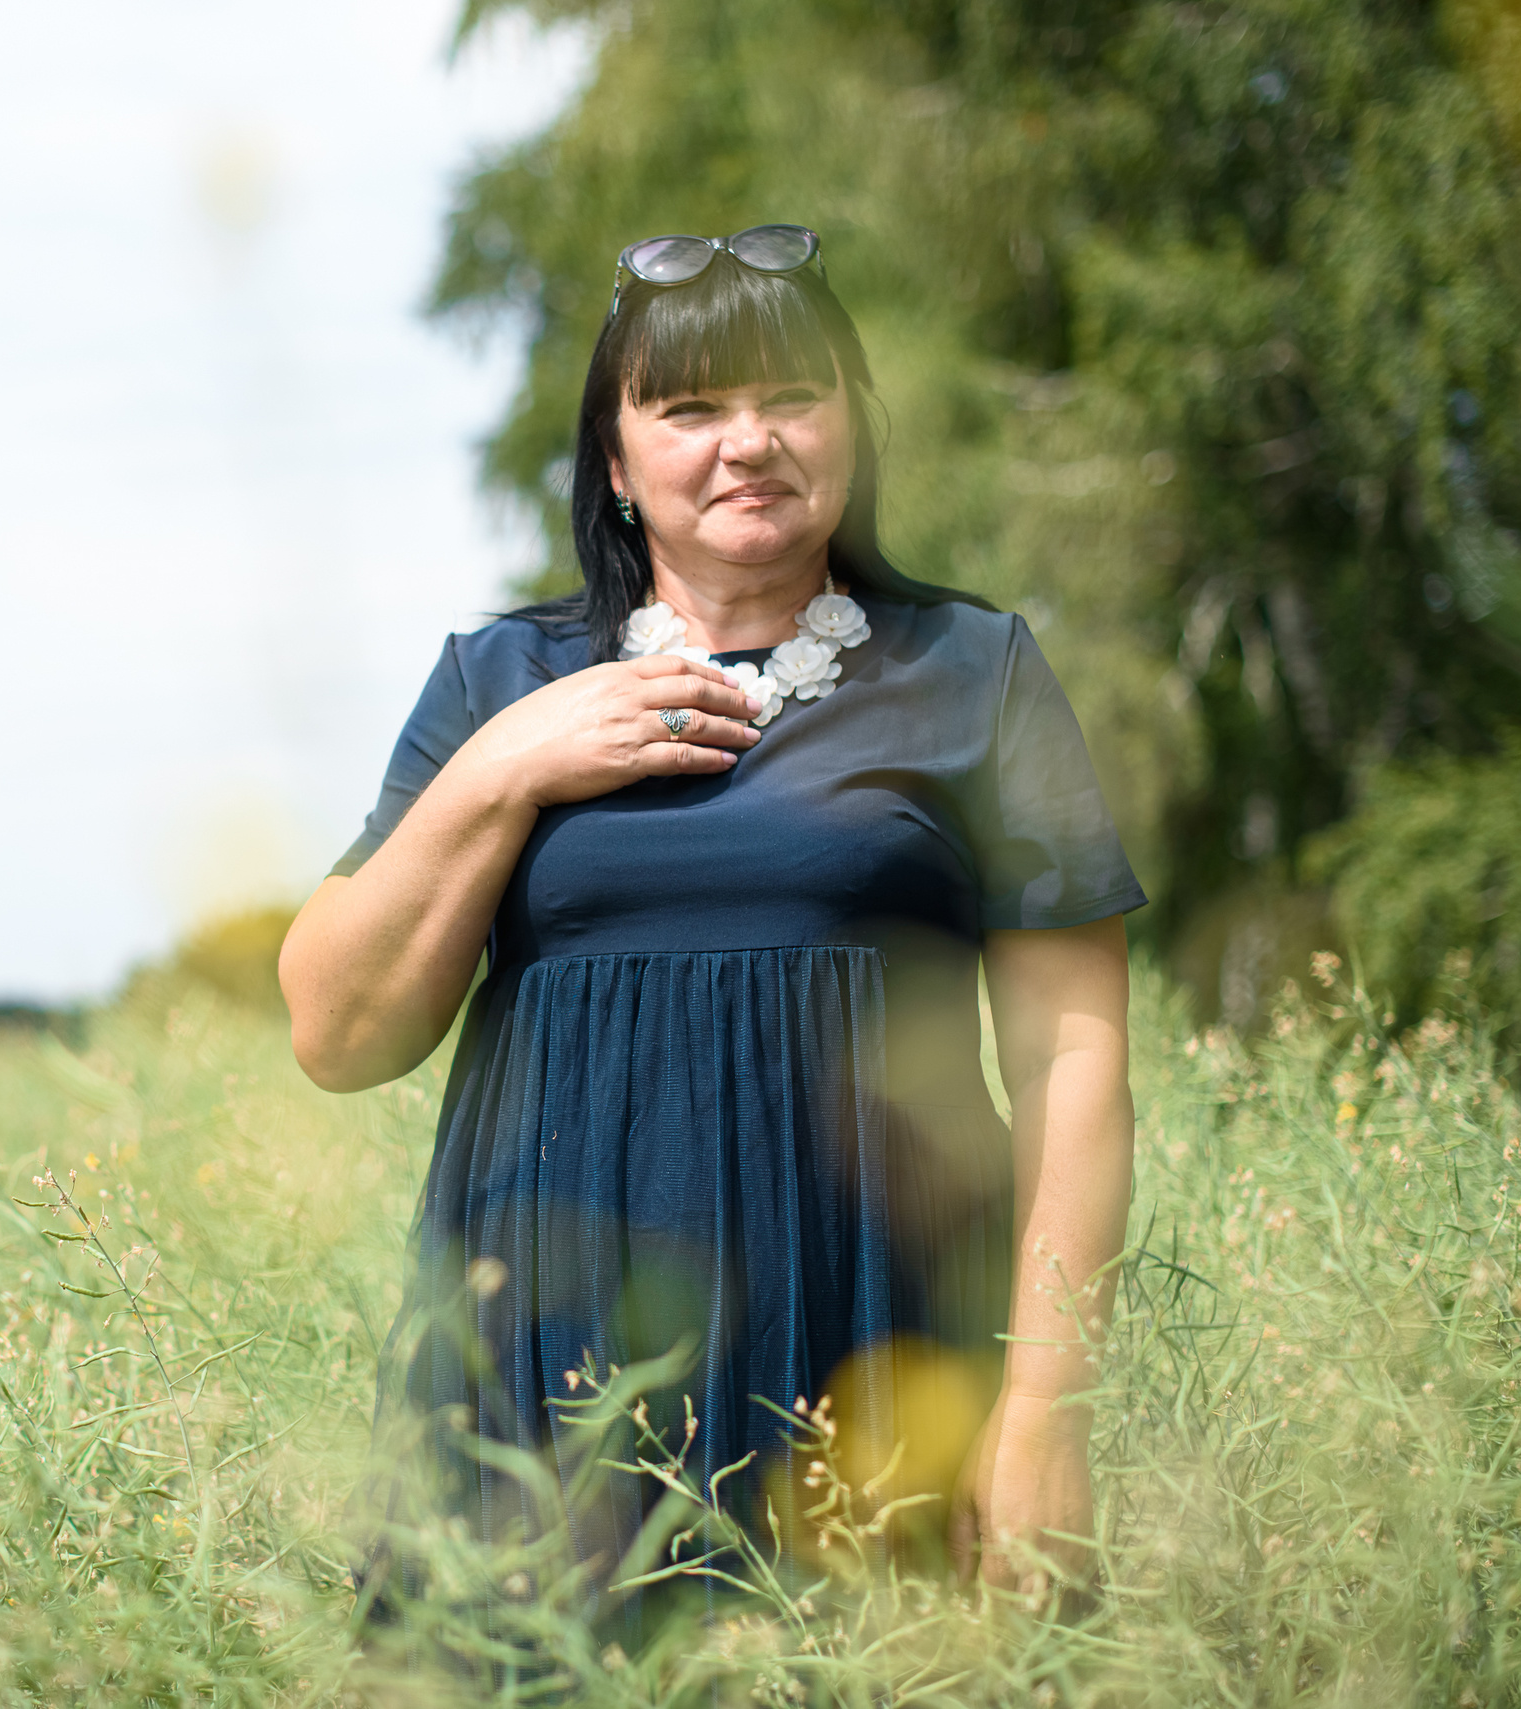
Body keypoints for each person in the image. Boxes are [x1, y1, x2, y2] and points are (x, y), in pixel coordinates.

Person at [278, 224, 1142, 1635]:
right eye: (689, 409)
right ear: (616, 463)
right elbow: (337, 1029)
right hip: (540, 1398)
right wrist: (508, 763)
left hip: (885, 1364)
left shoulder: (974, 671)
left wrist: (1049, 1404)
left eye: (791, 396)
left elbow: (1074, 1065)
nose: (750, 441)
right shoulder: (500, 679)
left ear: (851, 425)